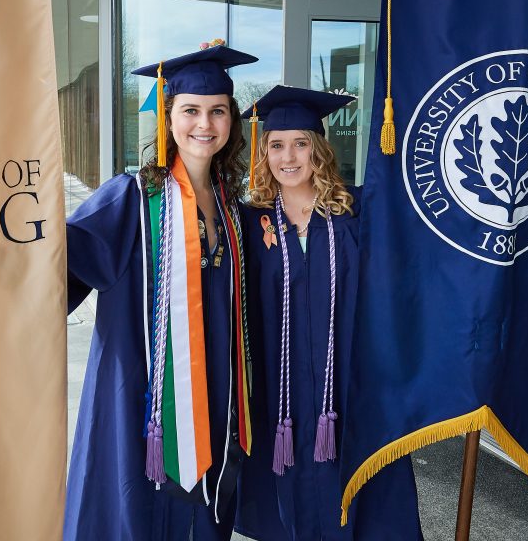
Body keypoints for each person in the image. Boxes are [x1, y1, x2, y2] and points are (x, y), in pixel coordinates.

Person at [64, 42, 258, 541]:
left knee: (205, 513)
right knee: (138, 510)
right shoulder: (131, 198)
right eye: (190, 110)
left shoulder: (235, 209)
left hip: (215, 391)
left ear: (231, 121)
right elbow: (63, 259)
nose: (204, 124)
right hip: (140, 392)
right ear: (167, 118)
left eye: (218, 111)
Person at [235, 86, 422, 541]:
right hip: (283, 392)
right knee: (291, 493)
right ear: (265, 152)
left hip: (353, 381)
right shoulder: (250, 218)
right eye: (276, 145)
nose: (289, 157)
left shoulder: (357, 211)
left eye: (300, 143)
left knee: (369, 501)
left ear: (319, 149)